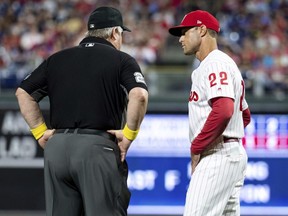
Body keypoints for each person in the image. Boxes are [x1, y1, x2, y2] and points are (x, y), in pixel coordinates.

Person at [15, 6, 148, 216]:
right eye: (121, 34)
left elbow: (23, 93)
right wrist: (129, 135)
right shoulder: (122, 60)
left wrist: (40, 132)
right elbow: (139, 95)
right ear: (115, 33)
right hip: (96, 148)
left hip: (57, 150)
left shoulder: (56, 59)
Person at [168, 10, 251, 216]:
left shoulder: (215, 63)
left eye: (185, 32)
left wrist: (198, 146)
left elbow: (224, 110)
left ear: (202, 30)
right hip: (227, 152)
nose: (180, 38)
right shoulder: (219, 64)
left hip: (217, 155)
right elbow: (245, 115)